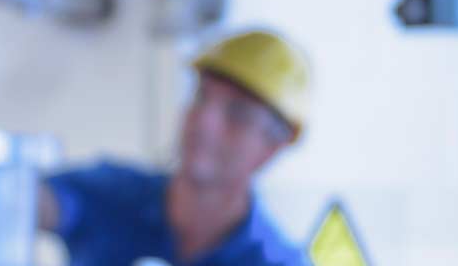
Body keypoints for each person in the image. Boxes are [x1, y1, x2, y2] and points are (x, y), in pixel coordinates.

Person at [40, 31, 311, 266]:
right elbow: (27, 200)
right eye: (202, 96)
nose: (205, 121)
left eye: (237, 113)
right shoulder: (111, 196)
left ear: (272, 147)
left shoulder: (274, 262)